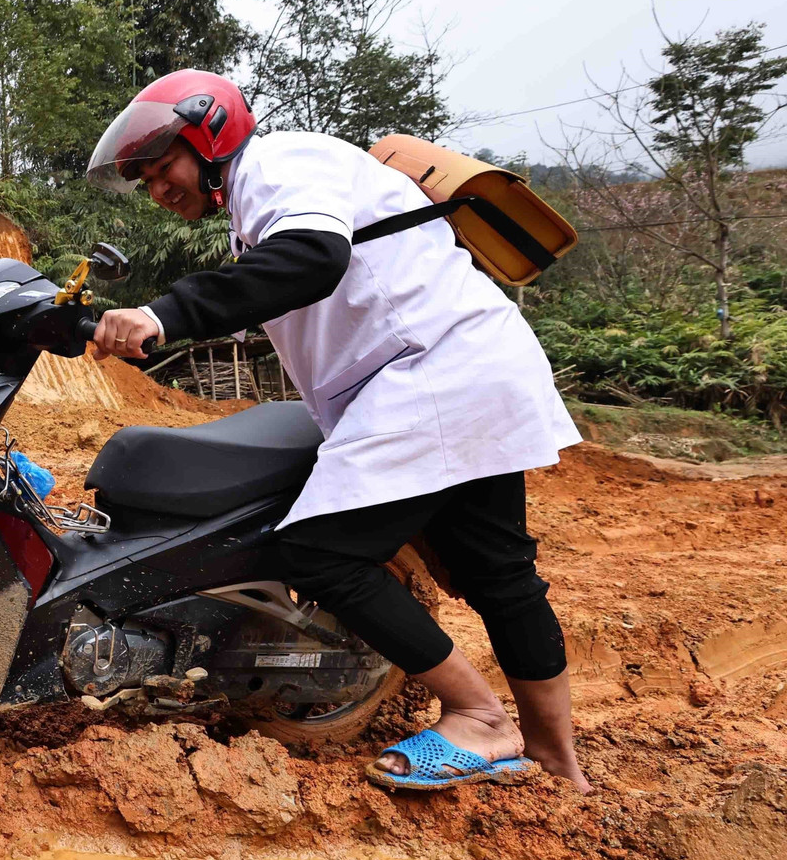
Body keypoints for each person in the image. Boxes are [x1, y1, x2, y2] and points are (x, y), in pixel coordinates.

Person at [84, 70, 591, 792]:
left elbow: (309, 260)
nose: (158, 188)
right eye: (144, 179)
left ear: (209, 134)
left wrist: (165, 314)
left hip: (433, 371)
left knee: (320, 551)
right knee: (499, 573)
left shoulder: (280, 164)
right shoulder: (269, 192)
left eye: (163, 166)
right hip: (467, 364)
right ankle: (555, 764)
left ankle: (479, 716)